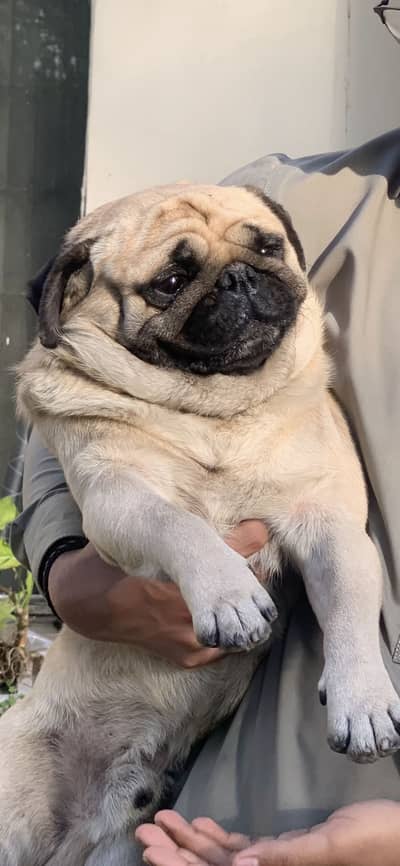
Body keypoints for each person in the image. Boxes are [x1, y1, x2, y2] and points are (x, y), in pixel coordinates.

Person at [9, 11, 400, 866]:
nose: (238, 280)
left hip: (346, 812)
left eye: (257, 258)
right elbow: (71, 402)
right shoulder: (288, 197)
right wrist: (69, 570)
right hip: (224, 804)